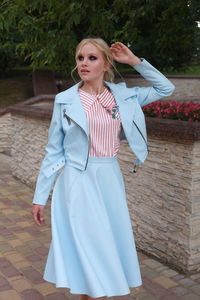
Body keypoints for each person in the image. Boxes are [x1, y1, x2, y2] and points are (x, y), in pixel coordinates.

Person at [31, 38, 175, 299]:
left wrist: (134, 61)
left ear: (106, 63)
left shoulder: (125, 96)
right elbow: (54, 151)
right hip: (77, 182)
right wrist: (40, 197)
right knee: (89, 251)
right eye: (80, 58)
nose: (84, 63)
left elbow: (165, 88)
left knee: (105, 250)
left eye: (92, 58)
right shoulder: (65, 100)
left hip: (109, 179)